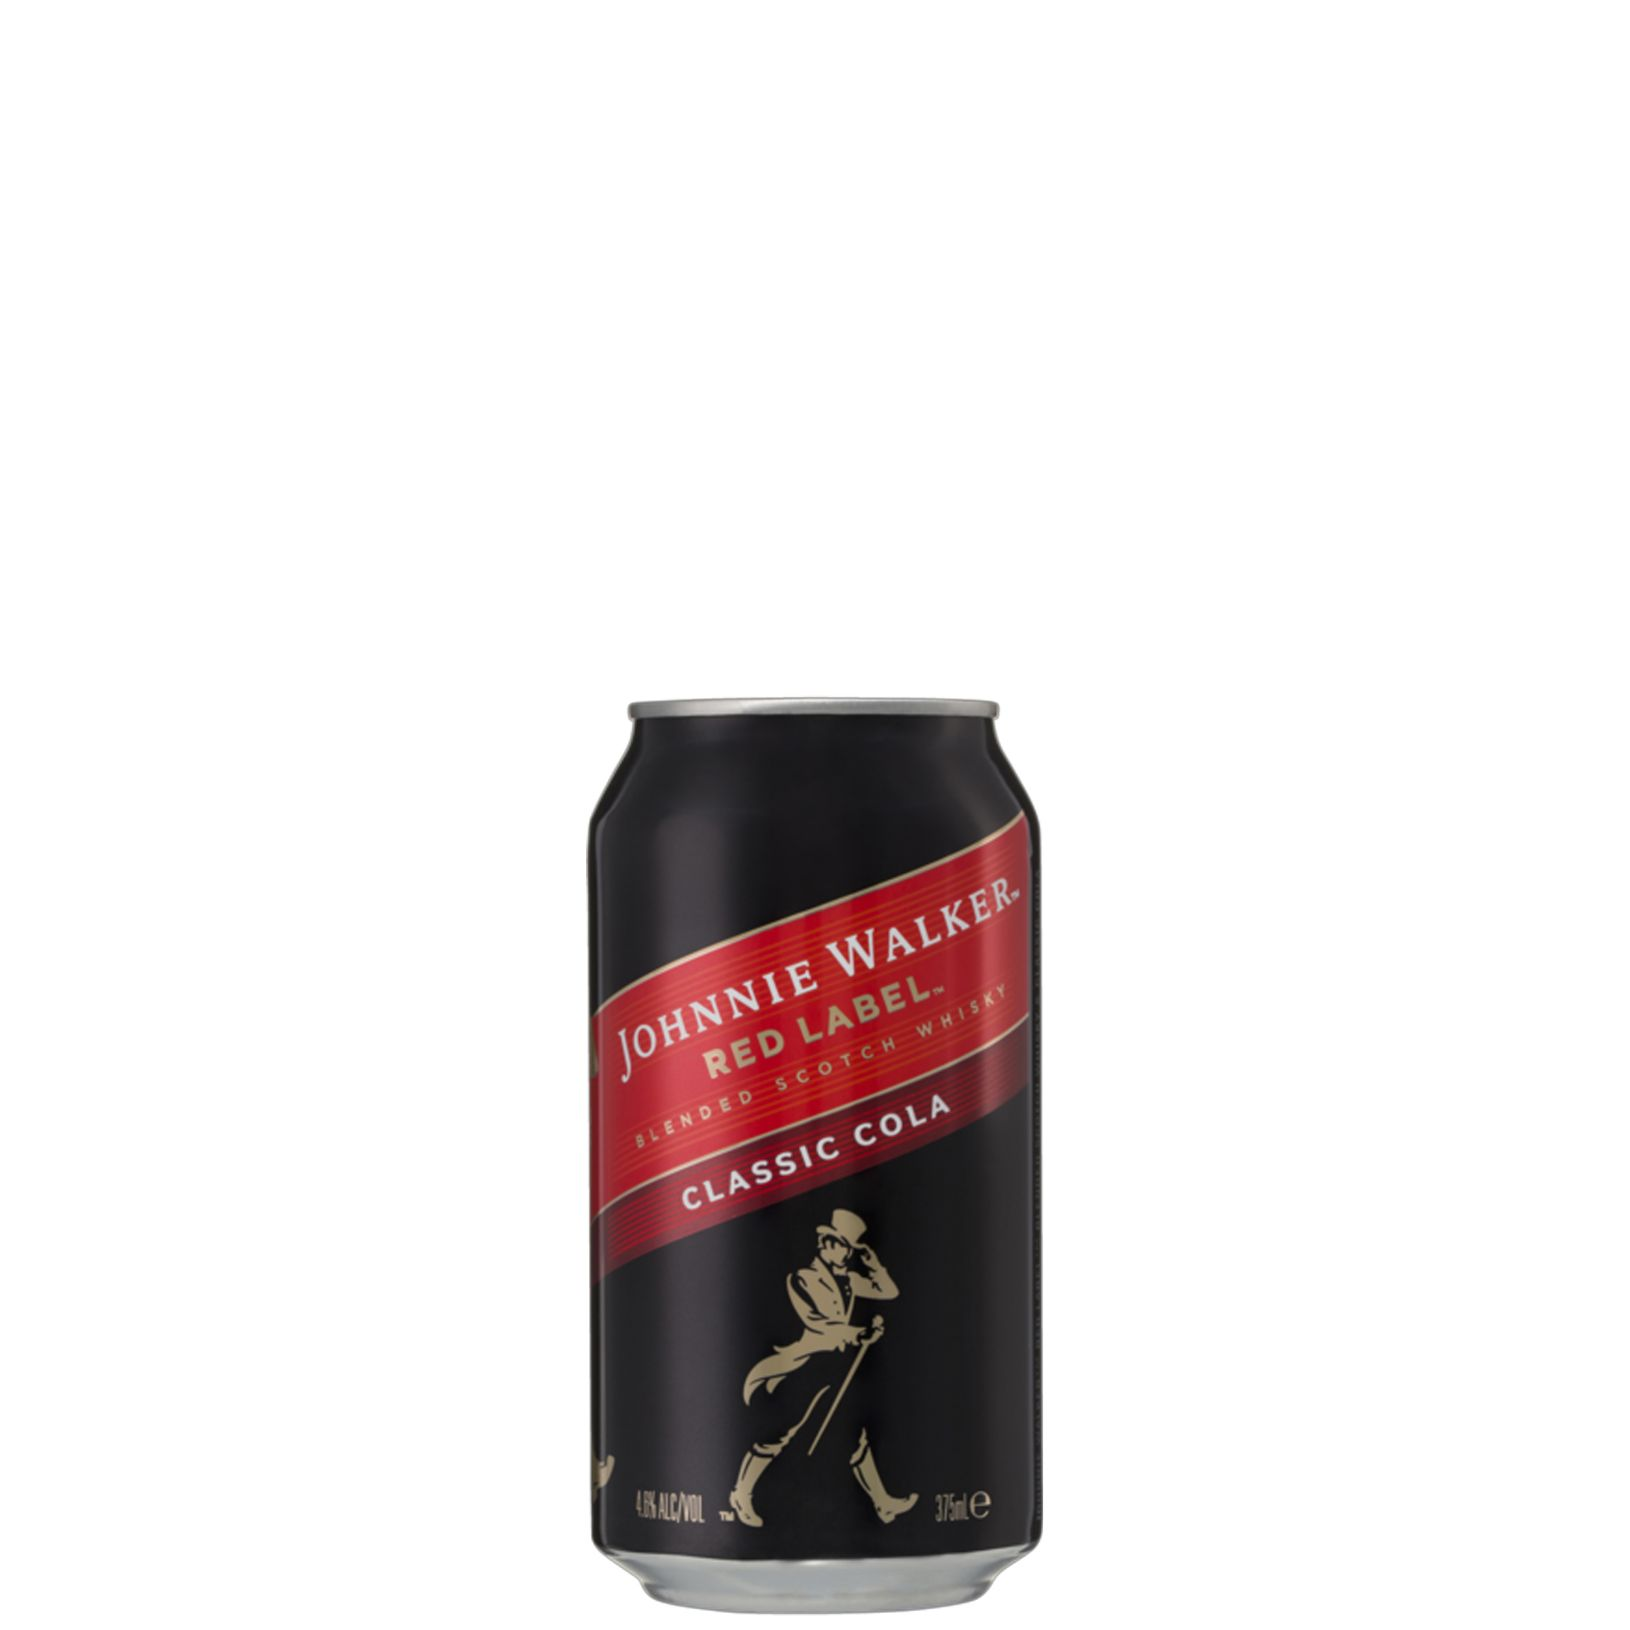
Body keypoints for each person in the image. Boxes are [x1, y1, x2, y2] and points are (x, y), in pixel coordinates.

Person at [729, 1208, 919, 1528]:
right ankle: (741, 1494)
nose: (835, 1249)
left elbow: (889, 1291)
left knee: (855, 1434)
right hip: (807, 1363)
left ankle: (882, 1503)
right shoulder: (804, 1277)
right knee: (779, 1431)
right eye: (832, 1242)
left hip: (838, 1365)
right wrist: (858, 1333)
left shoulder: (850, 1280)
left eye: (843, 1245)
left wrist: (873, 1263)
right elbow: (819, 1324)